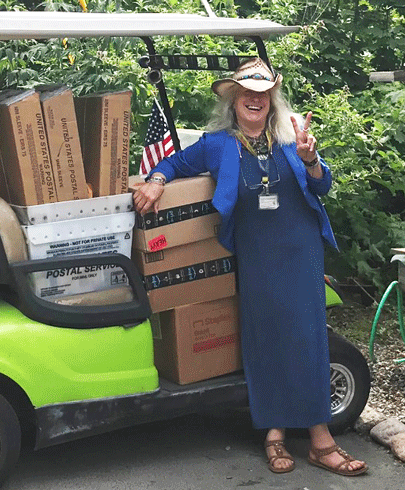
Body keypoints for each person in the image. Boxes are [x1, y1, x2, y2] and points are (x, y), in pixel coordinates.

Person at [133, 58, 368, 476]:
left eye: (263, 94)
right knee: (264, 339)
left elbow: (322, 185)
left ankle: (320, 438)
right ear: (235, 101)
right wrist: (155, 179)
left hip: (300, 251)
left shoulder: (292, 136)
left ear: (271, 100)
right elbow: (173, 164)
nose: (255, 100)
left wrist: (311, 159)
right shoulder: (218, 144)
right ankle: (274, 435)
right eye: (247, 94)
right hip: (255, 255)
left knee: (309, 338)